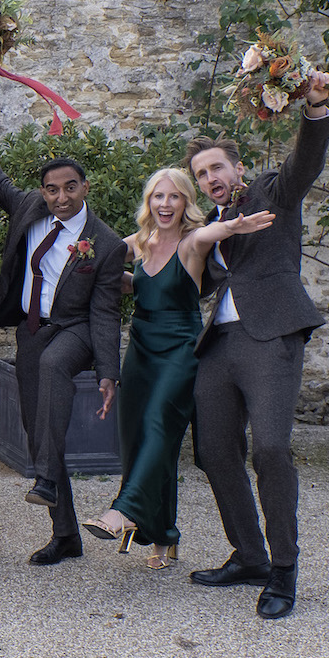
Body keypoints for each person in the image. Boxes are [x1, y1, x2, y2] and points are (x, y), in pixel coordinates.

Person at [186, 79, 329, 620]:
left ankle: (283, 568)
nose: (211, 179)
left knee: (270, 449)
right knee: (214, 453)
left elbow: (307, 158)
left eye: (217, 168)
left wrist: (315, 107)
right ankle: (248, 555)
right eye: (202, 175)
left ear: (238, 167)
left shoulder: (274, 191)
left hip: (270, 336)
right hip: (218, 347)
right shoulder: (209, 225)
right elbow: (197, 284)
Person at [84, 169, 273, 569]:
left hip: (180, 351)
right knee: (141, 440)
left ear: (186, 203)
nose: (165, 204)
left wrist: (235, 225)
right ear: (148, 202)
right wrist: (84, 257)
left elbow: (211, 235)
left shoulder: (191, 243)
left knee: (158, 426)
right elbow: (109, 268)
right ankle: (164, 536)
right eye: (158, 196)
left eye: (174, 197)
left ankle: (123, 511)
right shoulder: (137, 243)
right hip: (140, 351)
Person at [0, 148, 128, 566]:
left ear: (85, 186)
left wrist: (107, 372)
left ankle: (44, 479)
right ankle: (65, 534)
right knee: (38, 428)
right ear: (43, 192)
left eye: (69, 187)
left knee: (53, 367)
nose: (60, 197)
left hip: (75, 329)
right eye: (52, 189)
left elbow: (104, 311)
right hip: (33, 332)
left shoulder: (107, 243)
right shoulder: (31, 208)